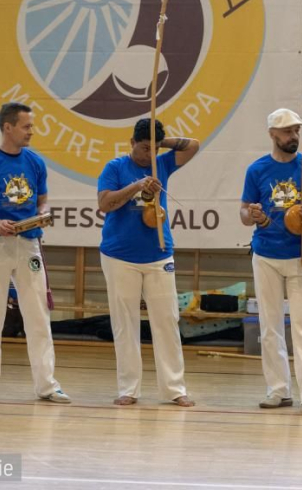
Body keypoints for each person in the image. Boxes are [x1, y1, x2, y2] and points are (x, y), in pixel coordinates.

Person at [0, 102, 70, 403]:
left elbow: (43, 202)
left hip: (29, 245)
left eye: (31, 126)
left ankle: (47, 385)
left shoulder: (35, 163)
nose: (31, 132)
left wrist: (43, 215)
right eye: (26, 126)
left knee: (38, 315)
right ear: (7, 127)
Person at [240, 108, 302, 416]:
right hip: (266, 254)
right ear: (272, 134)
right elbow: (244, 213)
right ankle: (278, 390)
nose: (293, 136)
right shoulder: (257, 170)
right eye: (286, 131)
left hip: (301, 255)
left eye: (296, 131)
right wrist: (252, 214)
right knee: (269, 326)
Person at [97, 118, 199, 407]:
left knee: (167, 320)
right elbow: (104, 203)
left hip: (158, 253)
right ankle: (129, 388)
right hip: (119, 255)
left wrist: (159, 141)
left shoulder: (162, 163)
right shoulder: (115, 168)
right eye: (143, 148)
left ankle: (174, 388)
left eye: (153, 149)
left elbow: (194, 145)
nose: (148, 155)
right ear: (131, 143)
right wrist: (137, 185)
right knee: (124, 322)